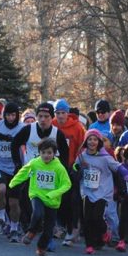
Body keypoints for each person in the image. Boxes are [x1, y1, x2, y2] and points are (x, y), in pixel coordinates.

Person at [75, 129, 128, 254]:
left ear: (99, 142)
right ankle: (90, 245)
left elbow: (118, 167)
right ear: (85, 141)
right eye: (89, 139)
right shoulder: (82, 156)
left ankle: (104, 232)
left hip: (102, 192)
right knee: (88, 219)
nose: (92, 142)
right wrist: (79, 168)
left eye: (95, 139)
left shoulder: (105, 157)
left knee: (97, 217)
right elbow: (75, 168)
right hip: (87, 191)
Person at [9, 138, 71, 256]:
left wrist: (54, 194)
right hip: (36, 194)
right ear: (39, 152)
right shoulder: (35, 163)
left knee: (49, 229)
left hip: (52, 200)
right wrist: (13, 183)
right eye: (43, 153)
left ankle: (41, 248)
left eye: (49, 153)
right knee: (38, 213)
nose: (46, 155)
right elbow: (24, 172)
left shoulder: (59, 168)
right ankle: (31, 231)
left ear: (54, 153)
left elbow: (67, 184)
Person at [0, 102, 25, 242]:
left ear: (17, 115)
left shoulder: (22, 128)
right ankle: (1, 218)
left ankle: (14, 227)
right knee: (0, 189)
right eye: (8, 115)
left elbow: (28, 146)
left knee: (14, 202)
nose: (10, 118)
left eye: (13, 115)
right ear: (4, 115)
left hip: (16, 167)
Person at [52, 99, 85, 246]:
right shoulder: (51, 125)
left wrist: (76, 165)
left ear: (68, 113)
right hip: (53, 167)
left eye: (63, 113)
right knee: (56, 198)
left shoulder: (77, 127)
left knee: (71, 200)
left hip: (70, 167)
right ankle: (59, 225)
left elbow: (81, 147)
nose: (60, 116)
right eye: (58, 113)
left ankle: (72, 229)